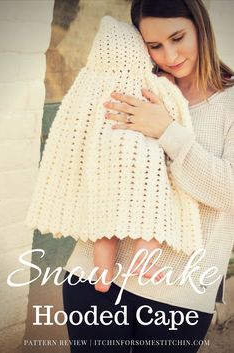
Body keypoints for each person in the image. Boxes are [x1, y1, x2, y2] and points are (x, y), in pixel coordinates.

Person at [62, 0, 234, 352]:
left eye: (177, 37)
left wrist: (167, 131)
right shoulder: (134, 85)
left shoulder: (229, 103)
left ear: (202, 28)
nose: (169, 55)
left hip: (176, 292)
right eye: (154, 45)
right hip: (94, 277)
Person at [24, 16, 203, 292]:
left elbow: (72, 121)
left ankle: (103, 275)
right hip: (141, 163)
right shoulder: (150, 83)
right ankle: (143, 260)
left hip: (104, 164)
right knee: (154, 207)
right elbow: (174, 107)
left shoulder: (90, 85)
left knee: (103, 226)